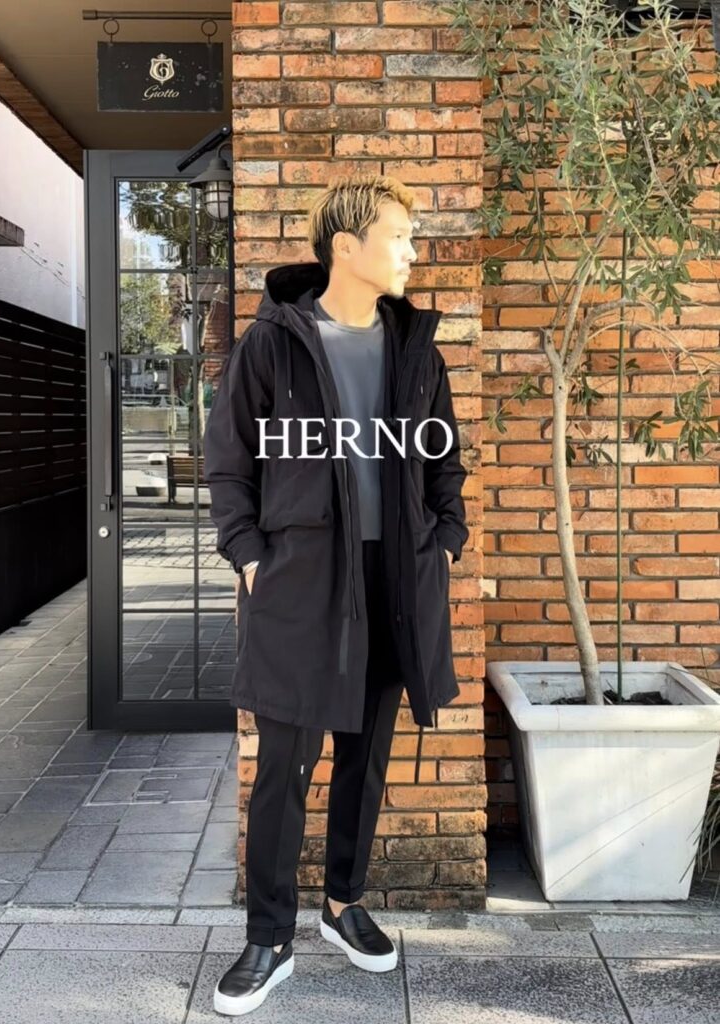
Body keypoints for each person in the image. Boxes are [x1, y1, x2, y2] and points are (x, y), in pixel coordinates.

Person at [203, 174, 468, 1016]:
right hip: (302, 580)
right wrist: (249, 556)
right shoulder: (273, 344)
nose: (412, 251)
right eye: (399, 235)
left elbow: (443, 460)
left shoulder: (414, 347)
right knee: (284, 763)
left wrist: (444, 539)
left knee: (366, 754)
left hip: (395, 579)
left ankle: (343, 903)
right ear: (345, 247)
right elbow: (229, 460)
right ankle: (268, 937)